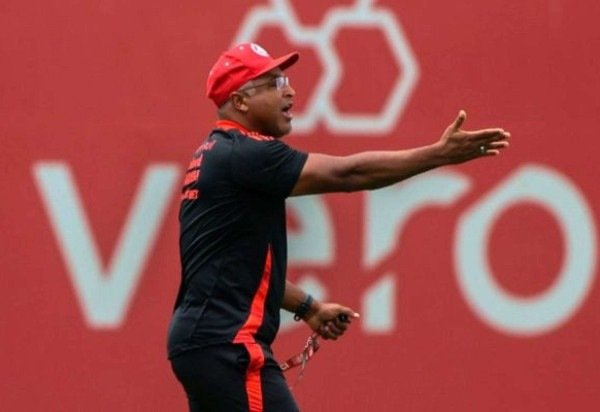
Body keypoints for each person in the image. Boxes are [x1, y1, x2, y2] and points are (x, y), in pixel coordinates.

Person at [167, 42, 510, 412]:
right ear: (240, 101)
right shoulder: (247, 153)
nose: (289, 91)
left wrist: (309, 307)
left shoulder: (220, 152)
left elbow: (240, 272)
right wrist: (438, 155)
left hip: (206, 342)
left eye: (285, 80)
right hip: (227, 344)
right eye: (274, 83)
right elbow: (349, 173)